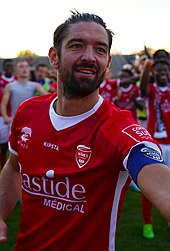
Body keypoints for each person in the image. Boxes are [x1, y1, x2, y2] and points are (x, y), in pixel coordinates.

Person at [0, 12, 170, 251]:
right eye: (76, 46)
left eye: (100, 50)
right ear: (54, 57)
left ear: (108, 62)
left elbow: (159, 180)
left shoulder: (118, 128)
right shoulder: (28, 112)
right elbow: (13, 167)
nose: (89, 57)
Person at [140, 59, 170, 239]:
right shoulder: (150, 91)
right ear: (153, 74)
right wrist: (147, 66)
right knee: (150, 186)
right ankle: (147, 223)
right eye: (158, 71)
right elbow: (143, 86)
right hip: (154, 145)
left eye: (166, 70)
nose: (163, 73)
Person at [1, 60, 46, 124]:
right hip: (15, 123)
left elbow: (48, 99)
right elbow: (3, 104)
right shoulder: (9, 86)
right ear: (16, 70)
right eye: (21, 66)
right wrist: (5, 117)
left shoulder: (36, 85)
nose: (24, 68)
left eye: (26, 66)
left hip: (31, 123)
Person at [0, 59, 16, 169]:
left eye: (11, 66)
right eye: (7, 66)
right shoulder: (0, 81)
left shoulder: (17, 80)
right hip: (3, 117)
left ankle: (16, 167)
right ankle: (3, 166)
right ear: (4, 68)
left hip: (16, 115)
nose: (9, 68)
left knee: (17, 145)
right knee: (3, 144)